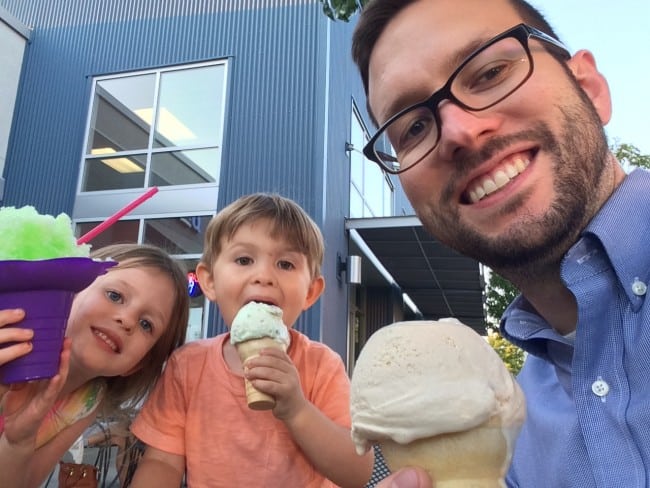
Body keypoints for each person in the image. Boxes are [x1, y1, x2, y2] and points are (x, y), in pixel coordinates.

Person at [351, 0, 650, 487]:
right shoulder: (508, 430)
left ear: (590, 88)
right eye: (415, 128)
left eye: (489, 72)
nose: (460, 132)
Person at [129, 193, 374, 487]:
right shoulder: (187, 366)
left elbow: (357, 472)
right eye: (244, 259)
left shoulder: (321, 365)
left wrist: (298, 410)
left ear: (310, 291)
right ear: (209, 281)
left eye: (285, 264)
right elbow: (161, 462)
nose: (263, 276)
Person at [0, 243, 189, 487]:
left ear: (136, 365)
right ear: (71, 290)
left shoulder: (87, 400)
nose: (128, 320)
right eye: (115, 296)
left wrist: (17, 444)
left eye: (146, 324)